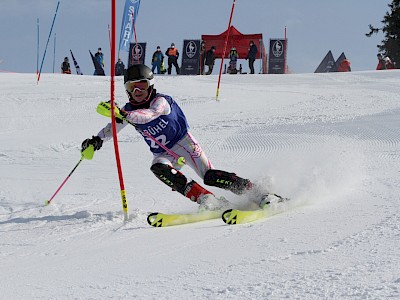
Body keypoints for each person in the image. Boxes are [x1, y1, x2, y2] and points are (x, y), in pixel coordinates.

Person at [80, 64, 276, 211]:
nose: (137, 92)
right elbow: (113, 127)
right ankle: (207, 200)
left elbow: (149, 115)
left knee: (210, 176)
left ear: (151, 86)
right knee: (158, 167)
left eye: (142, 85)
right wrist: (96, 140)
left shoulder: (161, 102)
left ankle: (258, 192)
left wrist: (125, 114)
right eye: (132, 87)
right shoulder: (128, 111)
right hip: (164, 152)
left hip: (184, 144)